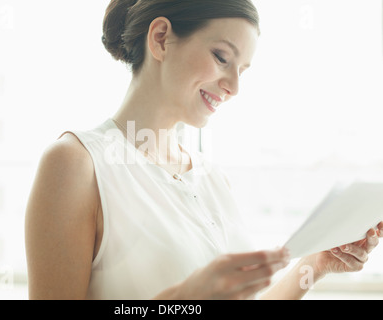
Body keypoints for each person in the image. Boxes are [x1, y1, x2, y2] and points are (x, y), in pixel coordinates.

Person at [24, 0, 383, 300]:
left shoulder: (213, 180)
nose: (234, 86)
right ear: (161, 38)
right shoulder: (76, 164)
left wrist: (314, 265)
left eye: (242, 70)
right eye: (222, 57)